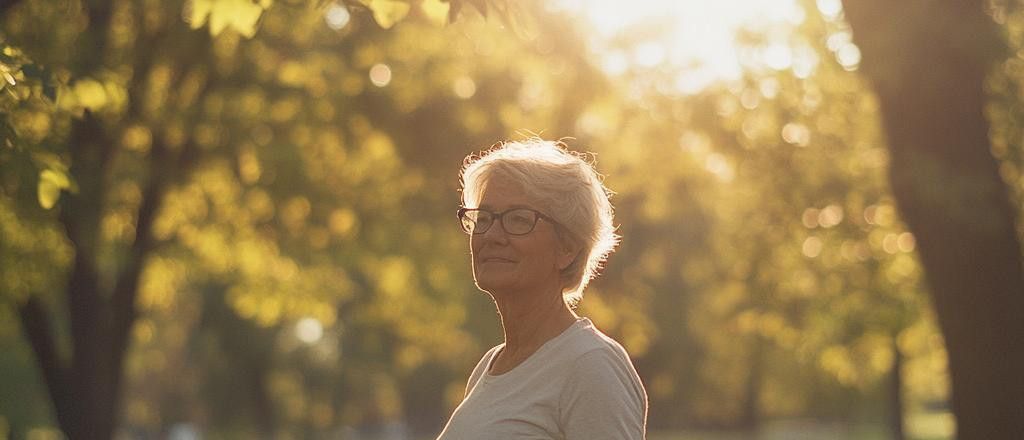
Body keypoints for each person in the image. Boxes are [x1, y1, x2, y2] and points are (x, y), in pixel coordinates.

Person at [436, 139, 647, 439]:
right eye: (483, 218)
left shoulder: (590, 364)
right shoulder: (490, 365)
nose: (492, 234)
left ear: (568, 248)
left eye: (518, 219)